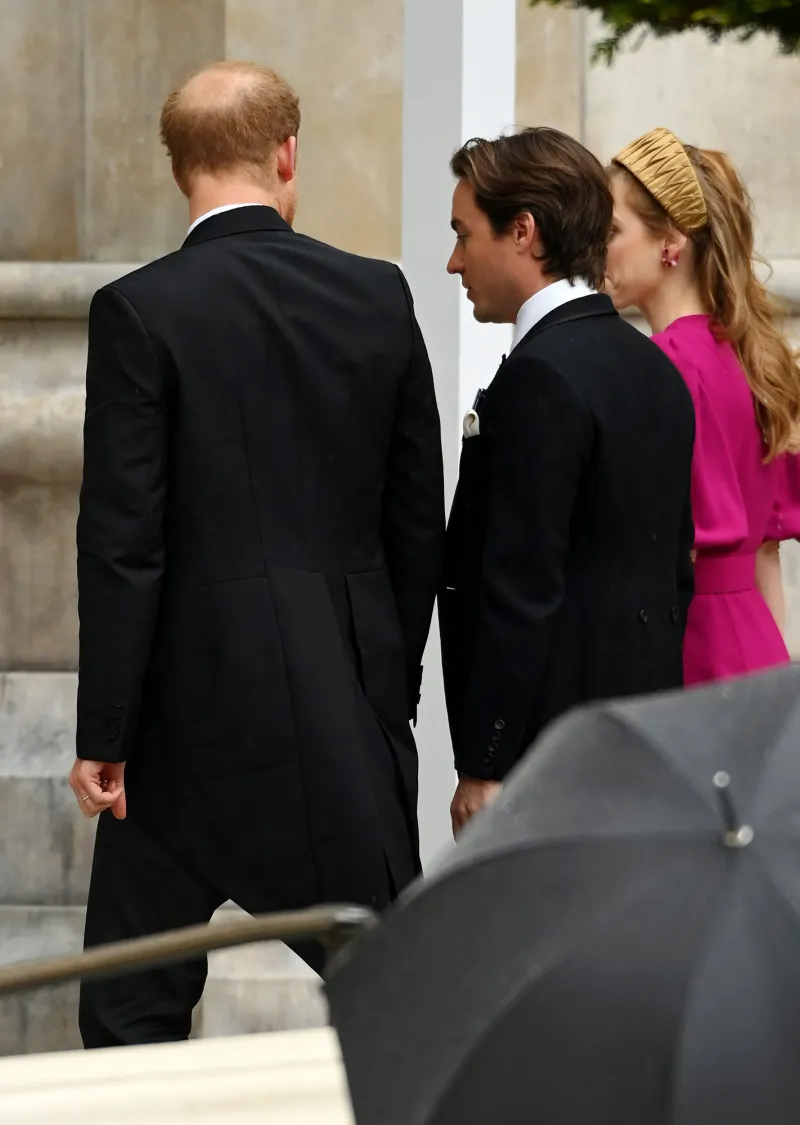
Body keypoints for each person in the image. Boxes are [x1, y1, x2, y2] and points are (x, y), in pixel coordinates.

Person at [69, 60, 444, 1047]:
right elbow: (415, 520)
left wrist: (103, 731)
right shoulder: (375, 295)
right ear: (286, 153)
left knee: (127, 1010)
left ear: (177, 168)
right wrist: (383, 691)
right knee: (399, 997)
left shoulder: (139, 308)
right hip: (336, 710)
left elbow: (121, 539)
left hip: (175, 724)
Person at [440, 128, 695, 835]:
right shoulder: (655, 369)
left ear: (523, 232)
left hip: (550, 756)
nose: (454, 261)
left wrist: (486, 762)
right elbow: (674, 577)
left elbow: (520, 587)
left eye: (465, 234)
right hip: (639, 735)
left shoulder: (541, 376)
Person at [606, 126, 800, 685]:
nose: (598, 245)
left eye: (614, 229)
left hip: (689, 646)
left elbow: (670, 550)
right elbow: (766, 548)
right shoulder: (749, 353)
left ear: (670, 243)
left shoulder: (664, 362)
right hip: (755, 649)